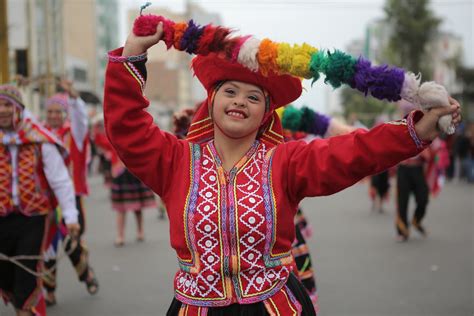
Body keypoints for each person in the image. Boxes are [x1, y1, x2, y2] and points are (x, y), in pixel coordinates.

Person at [103, 21, 461, 315]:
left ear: (265, 114)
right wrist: (133, 53)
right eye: (230, 91)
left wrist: (418, 129)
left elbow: (354, 153)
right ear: (212, 100)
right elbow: (126, 127)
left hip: (274, 308)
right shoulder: (175, 161)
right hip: (196, 308)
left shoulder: (284, 162)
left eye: (254, 96)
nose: (240, 101)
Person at [0, 85, 80, 316]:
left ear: (18, 109)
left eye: (8, 105)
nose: (3, 110)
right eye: (0, 105)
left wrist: (71, 216)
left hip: (33, 219)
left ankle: (25, 309)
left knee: (26, 275)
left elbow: (60, 180)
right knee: (5, 275)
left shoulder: (39, 139)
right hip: (2, 218)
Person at [41, 80, 99, 305]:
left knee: (69, 242)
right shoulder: (39, 134)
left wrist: (74, 98)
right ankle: (49, 290)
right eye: (50, 112)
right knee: (48, 246)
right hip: (45, 199)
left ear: (64, 114)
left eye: (58, 112)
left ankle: (86, 274)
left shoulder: (72, 133)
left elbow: (81, 120)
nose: (54, 116)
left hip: (70, 197)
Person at [92, 114, 157, 247]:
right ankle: (120, 235)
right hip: (120, 174)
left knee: (137, 207)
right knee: (121, 208)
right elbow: (99, 140)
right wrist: (96, 126)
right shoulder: (114, 140)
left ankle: (140, 231)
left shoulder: (136, 137)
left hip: (135, 173)